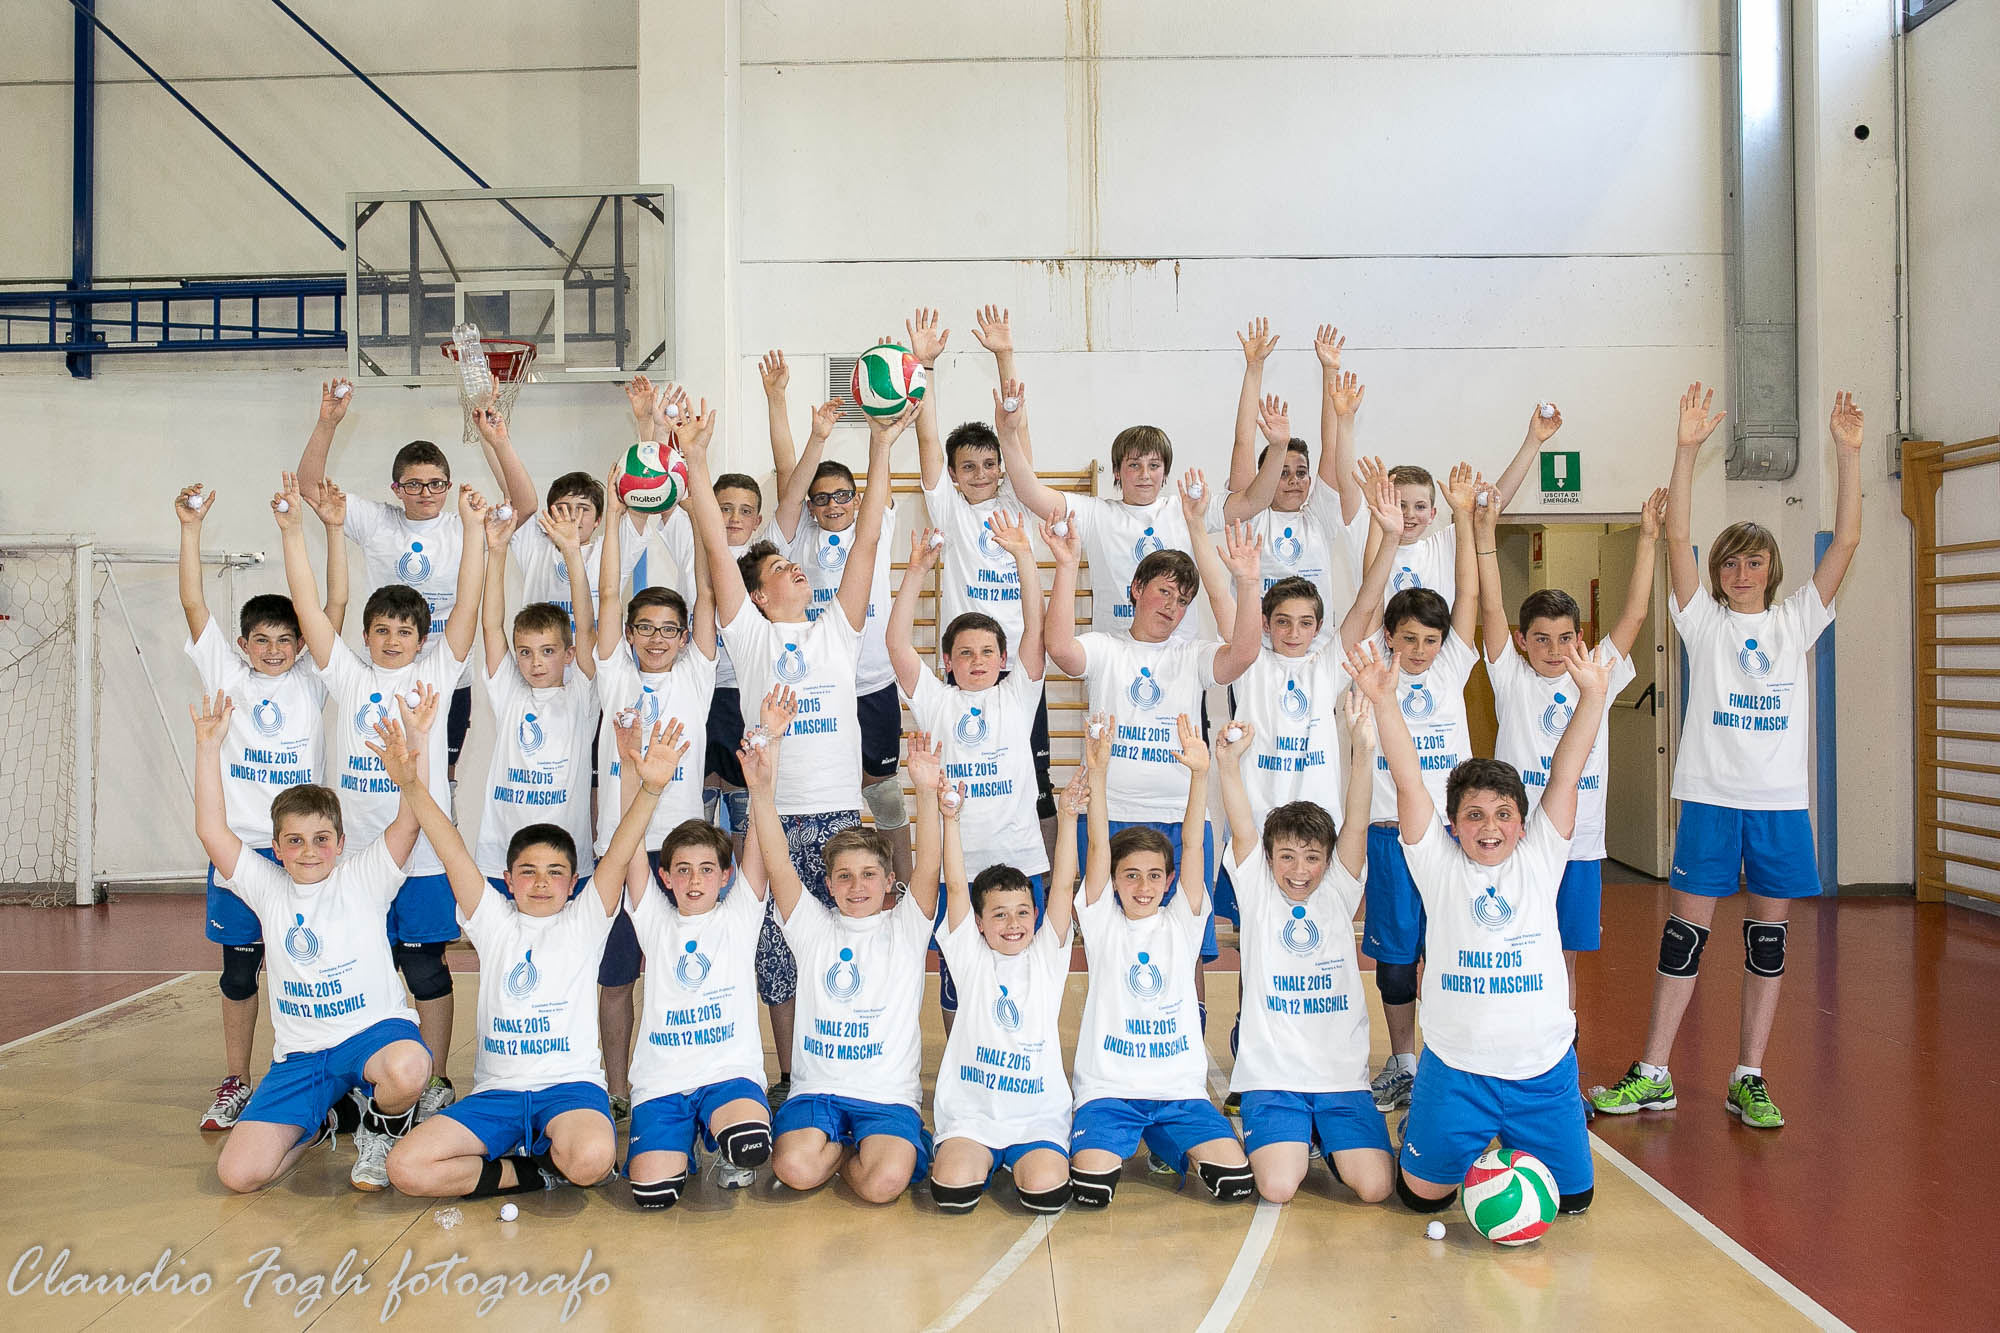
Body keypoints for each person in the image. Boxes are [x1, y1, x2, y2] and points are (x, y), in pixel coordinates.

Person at [1591, 386, 1863, 1129]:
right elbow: (1676, 540)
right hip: (1711, 799)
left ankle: (1750, 1075)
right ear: (1719, 574)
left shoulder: (1795, 621)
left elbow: (1843, 545)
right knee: (1685, 936)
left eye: (1755, 561)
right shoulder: (1702, 623)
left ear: (1772, 570)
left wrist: (1846, 454)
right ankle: (1654, 1071)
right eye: (1732, 563)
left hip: (1779, 807)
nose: (1743, 571)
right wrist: (1684, 449)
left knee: (1767, 943)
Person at [683, 395, 914, 1109]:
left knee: (848, 941)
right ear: (755, 593)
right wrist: (692, 457)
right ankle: (795, 1075)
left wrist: (881, 444)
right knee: (779, 958)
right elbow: (717, 549)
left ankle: (856, 1062)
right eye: (781, 567)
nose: (796, 569)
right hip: (775, 819)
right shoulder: (748, 635)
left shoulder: (836, 631)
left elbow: (869, 543)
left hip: (841, 815)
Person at [1346, 637, 1611, 1222]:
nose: (1488, 827)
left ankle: (1514, 1138)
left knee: (1574, 1204)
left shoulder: (1542, 857)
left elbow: (1564, 777)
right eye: (1473, 815)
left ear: (1522, 824)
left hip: (1541, 1073)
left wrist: (1592, 697)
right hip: (1456, 1071)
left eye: (1502, 815)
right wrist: (1386, 704)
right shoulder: (1437, 864)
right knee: (1418, 1200)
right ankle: (1444, 1132)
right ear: (1454, 825)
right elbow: (1411, 782)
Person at [380, 710, 679, 1200]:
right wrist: (412, 785)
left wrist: (648, 789)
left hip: (570, 1090)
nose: (541, 882)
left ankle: (548, 1156)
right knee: (407, 1167)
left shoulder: (585, 920)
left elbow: (623, 850)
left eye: (556, 872)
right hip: (496, 1094)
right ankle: (531, 1171)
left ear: (573, 882)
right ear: (509, 878)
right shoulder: (493, 919)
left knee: (594, 1160)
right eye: (529, 871)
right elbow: (449, 846)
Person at [278, 470, 486, 1119]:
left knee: (426, 969)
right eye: (382, 631)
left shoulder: (436, 672)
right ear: (366, 636)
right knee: (362, 967)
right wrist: (296, 531)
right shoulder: (348, 674)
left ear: (423, 640)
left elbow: (471, 610)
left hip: (420, 856)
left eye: (405, 632)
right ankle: (356, 1073)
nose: (393, 641)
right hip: (357, 861)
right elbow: (310, 609)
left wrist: (477, 534)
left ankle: (434, 1076)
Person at [192, 690, 433, 1194]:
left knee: (410, 1069)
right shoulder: (267, 887)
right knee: (238, 1175)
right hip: (302, 1057)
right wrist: (208, 748)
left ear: (341, 843)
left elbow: (411, 821)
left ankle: (380, 1131)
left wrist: (418, 742)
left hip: (372, 1035)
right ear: (276, 848)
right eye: (295, 840)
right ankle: (318, 1124)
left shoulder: (364, 877)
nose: (309, 850)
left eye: (322, 838)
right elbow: (212, 828)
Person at [1045, 468, 1266, 1017]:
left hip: (1179, 818)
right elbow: (1059, 649)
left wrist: (1247, 582)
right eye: (1164, 592)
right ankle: (1113, 1033)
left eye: (1183, 599)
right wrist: (1068, 565)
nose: (1173, 606)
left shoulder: (1190, 656)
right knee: (1106, 936)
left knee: (1187, 938)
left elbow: (1242, 654)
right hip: (1111, 816)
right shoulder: (1105, 649)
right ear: (1136, 591)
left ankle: (1188, 1034)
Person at [176, 479, 345, 1130]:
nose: (274, 649)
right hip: (238, 853)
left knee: (311, 970)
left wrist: (296, 529)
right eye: (262, 640)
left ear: (300, 646)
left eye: (285, 639)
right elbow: (193, 600)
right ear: (244, 644)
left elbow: (332, 599)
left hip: (301, 856)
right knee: (240, 973)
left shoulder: (312, 679)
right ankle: (237, 1079)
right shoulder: (228, 676)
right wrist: (191, 530)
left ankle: (322, 1080)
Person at [1476, 482, 1663, 1016]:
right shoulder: (1509, 677)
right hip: (1515, 842)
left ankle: (1563, 1060)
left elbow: (1634, 614)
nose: (1554, 650)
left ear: (1579, 638)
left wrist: (1647, 538)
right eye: (1541, 638)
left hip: (1578, 847)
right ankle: (1508, 1053)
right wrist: (1485, 536)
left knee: (1564, 957)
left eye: (1564, 638)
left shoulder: (1595, 675)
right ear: (1521, 640)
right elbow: (1490, 606)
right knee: (1506, 951)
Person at [750, 692, 943, 1204]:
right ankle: (837, 1149)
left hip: (886, 1098)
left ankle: (870, 1148)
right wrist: (762, 791)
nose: (856, 886)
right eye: (844, 877)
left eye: (868, 875)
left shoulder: (905, 928)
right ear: (830, 885)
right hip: (819, 1094)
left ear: (886, 883)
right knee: (792, 1167)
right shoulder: (812, 926)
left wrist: (925, 792)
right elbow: (777, 861)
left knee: (883, 1185)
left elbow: (927, 870)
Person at [295, 378, 537, 781]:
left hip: (447, 675)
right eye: (413, 484)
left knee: (440, 774)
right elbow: (308, 487)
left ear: (447, 485)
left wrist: (498, 441)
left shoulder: (465, 524)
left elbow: (525, 507)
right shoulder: (376, 521)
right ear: (397, 489)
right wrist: (327, 423)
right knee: (383, 770)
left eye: (436, 484)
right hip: (385, 673)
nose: (426, 492)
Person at [1067, 714, 1254, 1207]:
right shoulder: (1103, 923)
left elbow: (1193, 844)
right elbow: (1096, 845)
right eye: (1130, 876)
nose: (1143, 887)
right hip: (1109, 1091)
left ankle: (1165, 1140)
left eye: (1154, 876)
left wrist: (1200, 776)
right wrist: (1100, 775)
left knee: (1236, 1185)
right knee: (1089, 1192)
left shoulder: (1183, 920)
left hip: (1179, 1092)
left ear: (1170, 881)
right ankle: (1136, 1140)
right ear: (1114, 881)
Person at [1215, 702, 1389, 1205]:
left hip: (1339, 1079)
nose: (1298, 869)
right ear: (1268, 858)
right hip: (1274, 1078)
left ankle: (1330, 1141)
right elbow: (1243, 824)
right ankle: (1299, 1136)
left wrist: (1364, 748)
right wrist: (1228, 763)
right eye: (1286, 856)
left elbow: (1356, 822)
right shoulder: (1257, 892)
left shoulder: (1338, 891)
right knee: (1277, 1187)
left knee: (1376, 1189)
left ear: (1328, 862)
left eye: (1312, 858)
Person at [588, 455, 719, 1120]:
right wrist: (615, 514)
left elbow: (703, 585)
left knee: (678, 977)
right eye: (648, 628)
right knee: (615, 982)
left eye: (671, 628)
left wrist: (694, 504)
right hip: (618, 851)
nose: (660, 637)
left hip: (678, 855)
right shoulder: (612, 675)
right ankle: (616, 1088)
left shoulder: (696, 676)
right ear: (631, 634)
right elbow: (607, 595)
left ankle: (681, 1080)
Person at [891, 509, 1047, 1027]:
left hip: (1017, 857)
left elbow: (1037, 629)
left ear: (1004, 659)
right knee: (958, 975)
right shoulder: (936, 702)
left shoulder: (1019, 694)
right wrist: (916, 571)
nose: (977, 661)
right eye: (965, 653)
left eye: (987, 652)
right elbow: (895, 645)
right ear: (948, 662)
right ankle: (963, 1065)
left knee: (1025, 975)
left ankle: (1023, 1061)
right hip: (956, 864)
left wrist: (1025, 555)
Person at [1359, 464, 1482, 1114]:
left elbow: (1465, 595)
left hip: (1449, 837)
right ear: (1389, 637)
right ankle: (1403, 1059)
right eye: (1407, 638)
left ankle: (1447, 1059)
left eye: (1429, 640)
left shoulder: (1455, 660)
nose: (1420, 648)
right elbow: (1370, 598)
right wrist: (1383, 536)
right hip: (1387, 834)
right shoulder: (1373, 670)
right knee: (1398, 959)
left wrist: (1464, 516)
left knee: (1450, 950)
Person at [907, 307, 1056, 826]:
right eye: (967, 466)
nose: (981, 473)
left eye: (989, 464)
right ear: (952, 473)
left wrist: (1005, 356)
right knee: (966, 778)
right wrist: (921, 368)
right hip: (967, 667)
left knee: (1036, 785)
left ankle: (1040, 888)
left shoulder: (1018, 501)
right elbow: (927, 442)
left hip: (1018, 668)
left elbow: (1016, 432)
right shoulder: (949, 509)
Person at [769, 347, 911, 883]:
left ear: (857, 499)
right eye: (821, 498)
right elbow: (789, 469)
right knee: (819, 789)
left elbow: (881, 482)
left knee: (884, 790)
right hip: (817, 685)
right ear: (810, 505)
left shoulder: (874, 524)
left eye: (842, 497)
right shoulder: (800, 533)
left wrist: (893, 419)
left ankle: (900, 879)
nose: (832, 505)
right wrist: (778, 400)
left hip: (871, 680)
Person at [618, 737, 775, 1208]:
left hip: (729, 1073)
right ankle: (680, 1141)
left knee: (750, 1144)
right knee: (652, 1195)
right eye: (682, 870)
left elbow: (761, 845)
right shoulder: (652, 915)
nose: (694, 881)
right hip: (663, 1081)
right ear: (665, 876)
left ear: (725, 876)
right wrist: (637, 777)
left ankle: (724, 1138)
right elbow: (629, 850)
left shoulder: (739, 914)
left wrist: (763, 783)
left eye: (707, 869)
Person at [927, 752, 1084, 1216]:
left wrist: (1070, 817)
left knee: (1047, 1193)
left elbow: (1063, 885)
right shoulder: (970, 956)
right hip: (972, 1115)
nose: (1012, 923)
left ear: (1035, 918)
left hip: (1036, 1117)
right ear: (978, 922)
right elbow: (956, 886)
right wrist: (949, 819)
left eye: (1021, 913)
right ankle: (967, 1155)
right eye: (998, 914)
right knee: (952, 1194)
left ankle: (1020, 1160)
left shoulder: (1046, 956)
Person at [996, 382, 1223, 641]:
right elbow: (1030, 492)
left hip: (1178, 655)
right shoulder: (1097, 514)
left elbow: (1252, 501)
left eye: (1154, 465)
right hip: (1115, 655)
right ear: (1117, 471)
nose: (1144, 475)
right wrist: (1007, 435)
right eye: (1134, 465)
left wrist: (1278, 443)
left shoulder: (1188, 510)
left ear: (1165, 472)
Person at [1220, 320, 1372, 611]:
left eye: (1301, 473)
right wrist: (1254, 367)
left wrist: (1331, 371)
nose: (1293, 480)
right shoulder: (1250, 517)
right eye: (1282, 473)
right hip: (1257, 654)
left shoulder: (1319, 518)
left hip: (1313, 653)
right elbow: (1243, 441)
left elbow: (1331, 449)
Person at [1364, 403, 1565, 611]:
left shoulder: (1442, 545)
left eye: (1420, 506)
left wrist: (1533, 441)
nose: (1409, 514)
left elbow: (1496, 504)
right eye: (1400, 505)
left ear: (1433, 513)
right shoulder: (1371, 546)